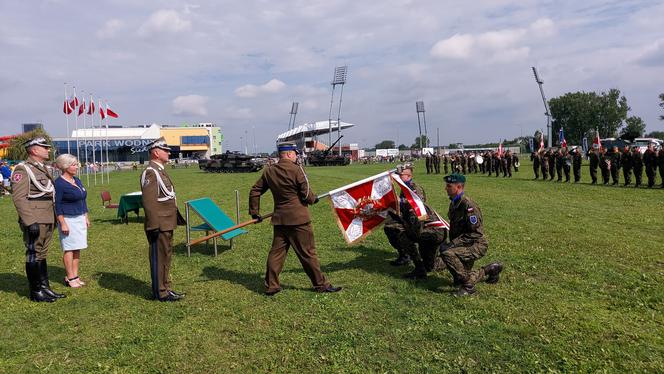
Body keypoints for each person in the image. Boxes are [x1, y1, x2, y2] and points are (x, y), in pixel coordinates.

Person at [249, 142, 341, 296]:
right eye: (296, 153)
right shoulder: (297, 170)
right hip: (299, 220)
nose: (297, 156)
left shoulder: (269, 171)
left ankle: (272, 285)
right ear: (290, 153)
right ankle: (321, 285)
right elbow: (306, 195)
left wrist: (254, 212)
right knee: (307, 253)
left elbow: (255, 190)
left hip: (280, 219)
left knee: (276, 254)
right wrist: (313, 199)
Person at [11, 137, 65, 302]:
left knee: (42, 253)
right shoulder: (23, 169)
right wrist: (29, 221)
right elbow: (19, 198)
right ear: (34, 150)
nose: (48, 150)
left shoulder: (41, 168)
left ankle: (45, 287)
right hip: (35, 217)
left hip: (47, 216)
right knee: (34, 253)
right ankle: (35, 291)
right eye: (44, 147)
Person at [439, 173, 503, 296]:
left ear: (458, 187)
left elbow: (476, 233)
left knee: (447, 253)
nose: (445, 188)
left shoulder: (469, 206)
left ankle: (468, 288)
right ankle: (490, 269)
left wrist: (453, 244)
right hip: (464, 244)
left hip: (475, 244)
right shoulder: (454, 203)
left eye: (449, 186)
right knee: (461, 276)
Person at [141, 137, 184, 302]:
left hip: (166, 222)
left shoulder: (159, 170)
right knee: (159, 258)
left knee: (165, 256)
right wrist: (153, 225)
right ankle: (160, 292)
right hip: (158, 223)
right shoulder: (151, 172)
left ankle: (165, 287)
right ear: (156, 152)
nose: (168, 153)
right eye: (165, 150)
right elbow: (149, 202)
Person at [54, 154, 90, 288]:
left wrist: (85, 216)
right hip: (68, 219)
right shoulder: (59, 184)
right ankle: (70, 277)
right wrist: (62, 222)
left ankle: (75, 275)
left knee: (77, 247)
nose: (77, 167)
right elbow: (57, 205)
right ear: (65, 166)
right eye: (74, 165)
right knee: (69, 248)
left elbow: (82, 199)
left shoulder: (77, 180)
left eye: (76, 164)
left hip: (79, 218)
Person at [384, 164, 425, 266]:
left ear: (409, 176)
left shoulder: (414, 187)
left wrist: (401, 200)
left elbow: (418, 203)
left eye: (401, 175)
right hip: (405, 217)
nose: (398, 177)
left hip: (415, 220)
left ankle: (408, 255)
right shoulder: (405, 187)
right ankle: (404, 253)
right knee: (389, 226)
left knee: (398, 231)